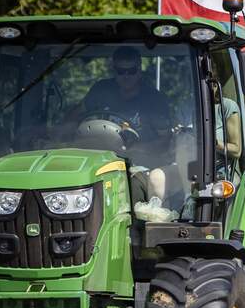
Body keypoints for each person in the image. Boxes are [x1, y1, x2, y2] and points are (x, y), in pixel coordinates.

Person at [75, 46, 176, 203]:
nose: (126, 76)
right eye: (121, 71)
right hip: (96, 163)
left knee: (130, 189)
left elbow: (166, 142)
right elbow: (75, 116)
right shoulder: (101, 91)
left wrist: (135, 148)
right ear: (113, 71)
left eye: (132, 71)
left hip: (138, 168)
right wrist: (55, 134)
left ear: (139, 70)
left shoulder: (154, 100)